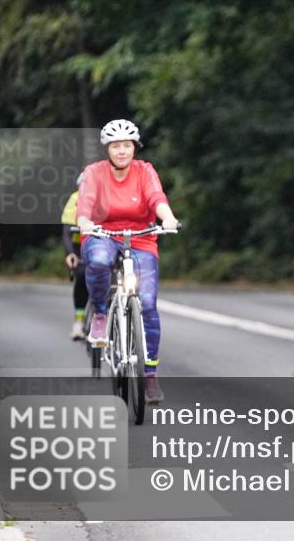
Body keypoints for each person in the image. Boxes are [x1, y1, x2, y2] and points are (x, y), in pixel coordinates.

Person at [76, 119, 179, 404]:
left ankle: (150, 375)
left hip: (141, 237)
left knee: (147, 302)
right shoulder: (94, 173)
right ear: (108, 149)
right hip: (102, 233)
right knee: (97, 261)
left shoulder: (145, 171)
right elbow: (85, 203)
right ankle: (99, 314)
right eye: (116, 146)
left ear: (135, 147)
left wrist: (167, 217)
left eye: (127, 145)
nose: (122, 151)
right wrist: (84, 221)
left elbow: (156, 197)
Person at [60, 188, 89, 340]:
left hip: (102, 241)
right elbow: (66, 232)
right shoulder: (75, 198)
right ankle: (78, 321)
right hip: (79, 245)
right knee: (82, 276)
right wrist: (70, 254)